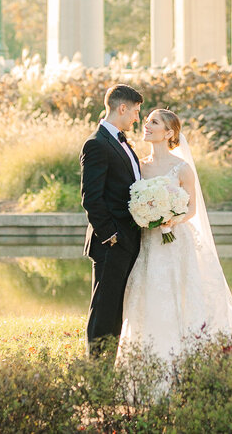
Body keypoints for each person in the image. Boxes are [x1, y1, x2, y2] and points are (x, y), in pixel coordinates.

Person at [116, 108, 232, 386]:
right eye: (146, 122)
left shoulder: (182, 168)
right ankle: (147, 367)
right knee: (149, 296)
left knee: (181, 294)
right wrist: (144, 215)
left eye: (154, 123)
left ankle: (189, 365)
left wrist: (170, 218)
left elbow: (192, 208)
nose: (147, 126)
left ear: (168, 133)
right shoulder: (139, 165)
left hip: (176, 241)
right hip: (148, 243)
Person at [80, 83, 144, 358]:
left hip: (127, 240)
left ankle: (109, 364)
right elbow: (91, 198)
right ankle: (96, 368)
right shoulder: (96, 144)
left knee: (116, 306)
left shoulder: (120, 140)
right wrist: (111, 236)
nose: (137, 118)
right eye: (136, 111)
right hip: (111, 243)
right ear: (122, 108)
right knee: (104, 309)